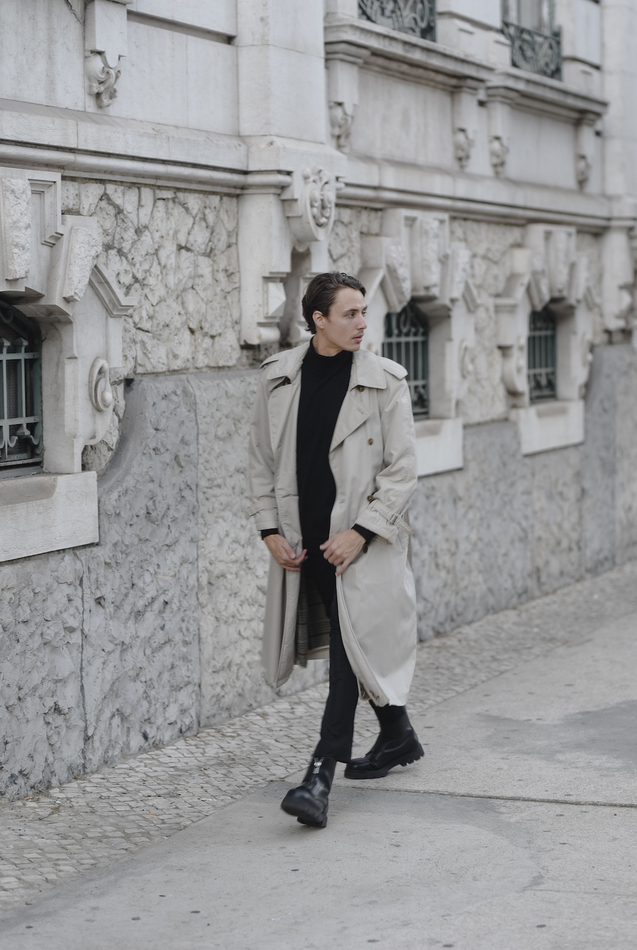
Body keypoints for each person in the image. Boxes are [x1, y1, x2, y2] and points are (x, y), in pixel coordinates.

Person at [247, 271, 423, 829]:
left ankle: (319, 777)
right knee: (355, 643)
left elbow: (403, 471)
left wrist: (361, 532)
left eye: (364, 311)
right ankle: (398, 735)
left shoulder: (385, 381)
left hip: (360, 546)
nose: (362, 323)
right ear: (318, 319)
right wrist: (269, 530)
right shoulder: (278, 378)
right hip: (306, 543)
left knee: (349, 649)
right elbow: (261, 462)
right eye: (350, 313)